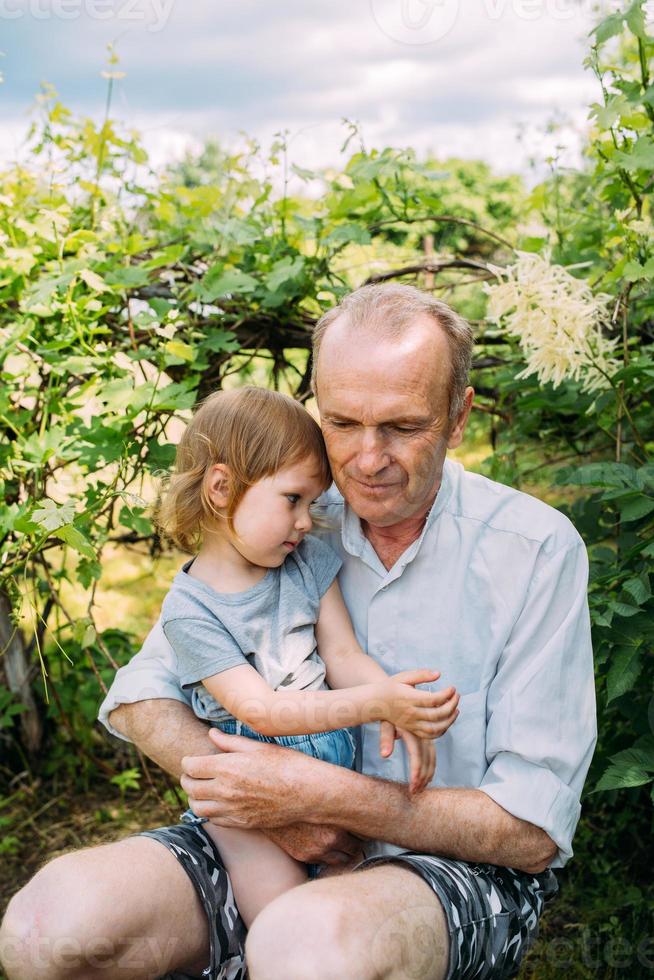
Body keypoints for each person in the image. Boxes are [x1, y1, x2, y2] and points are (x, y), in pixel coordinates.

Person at [0, 282, 597, 980]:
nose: (367, 460)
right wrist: (266, 805)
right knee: (46, 932)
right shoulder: (283, 520)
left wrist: (319, 798)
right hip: (263, 835)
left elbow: (528, 832)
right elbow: (143, 697)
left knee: (303, 947)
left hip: (459, 869)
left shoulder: (534, 549)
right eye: (342, 423)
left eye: (403, 428)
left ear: (458, 415)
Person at [154, 384, 458, 925]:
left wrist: (397, 702)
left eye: (313, 504)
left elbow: (342, 654)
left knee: (343, 916)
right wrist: (373, 704)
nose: (305, 521)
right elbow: (262, 711)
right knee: (281, 918)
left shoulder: (305, 561)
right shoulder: (190, 613)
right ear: (221, 488)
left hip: (328, 777)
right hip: (250, 804)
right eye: (292, 499)